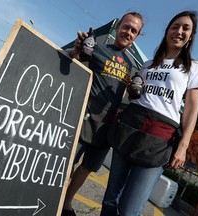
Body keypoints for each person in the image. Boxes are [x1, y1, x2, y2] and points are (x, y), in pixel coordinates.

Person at [100, 11, 198, 216]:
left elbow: (192, 108)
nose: (179, 31)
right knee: (111, 198)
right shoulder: (148, 64)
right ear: (167, 31)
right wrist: (132, 90)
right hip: (130, 126)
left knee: (130, 209)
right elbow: (136, 97)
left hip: (160, 137)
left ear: (191, 36)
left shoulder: (194, 67)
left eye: (185, 28)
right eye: (175, 26)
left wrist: (183, 146)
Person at [62, 12, 144, 216]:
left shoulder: (134, 66)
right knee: (66, 162)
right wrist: (75, 50)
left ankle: (66, 204)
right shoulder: (97, 47)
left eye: (134, 30)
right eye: (126, 26)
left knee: (87, 168)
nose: (128, 32)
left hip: (108, 127)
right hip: (84, 117)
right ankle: (53, 198)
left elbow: (133, 97)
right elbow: (69, 58)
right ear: (118, 27)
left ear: (137, 36)